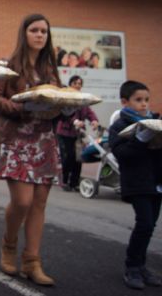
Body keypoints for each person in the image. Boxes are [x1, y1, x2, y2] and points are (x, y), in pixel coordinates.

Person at [0, 13, 62, 286]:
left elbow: (60, 100)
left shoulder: (51, 69)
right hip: (15, 140)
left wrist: (62, 107)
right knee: (22, 202)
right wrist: (21, 108)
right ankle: (9, 244)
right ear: (25, 33)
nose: (40, 35)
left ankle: (32, 261)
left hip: (44, 140)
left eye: (44, 30)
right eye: (34, 30)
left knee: (39, 202)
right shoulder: (11, 64)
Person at [108, 80, 162, 290]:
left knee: (150, 227)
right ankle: (132, 266)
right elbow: (121, 154)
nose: (144, 104)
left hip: (156, 182)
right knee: (145, 224)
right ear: (124, 102)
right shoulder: (119, 126)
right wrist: (140, 139)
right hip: (137, 183)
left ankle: (141, 266)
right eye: (138, 100)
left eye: (146, 100)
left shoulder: (155, 122)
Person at [56, 75, 98, 192]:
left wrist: (94, 121)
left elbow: (89, 112)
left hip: (78, 134)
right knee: (68, 156)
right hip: (64, 133)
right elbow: (64, 114)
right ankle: (64, 180)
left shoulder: (82, 99)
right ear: (70, 85)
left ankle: (74, 182)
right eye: (75, 83)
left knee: (78, 158)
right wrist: (75, 121)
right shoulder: (66, 98)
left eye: (80, 83)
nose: (78, 86)